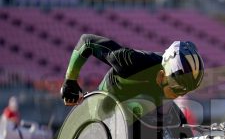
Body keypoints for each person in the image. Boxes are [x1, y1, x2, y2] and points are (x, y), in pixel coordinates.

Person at [60, 34, 204, 107]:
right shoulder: (129, 61)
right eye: (177, 90)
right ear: (161, 76)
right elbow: (87, 41)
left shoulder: (173, 78)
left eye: (185, 91)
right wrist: (70, 80)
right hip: (107, 102)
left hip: (143, 103)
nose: (180, 95)